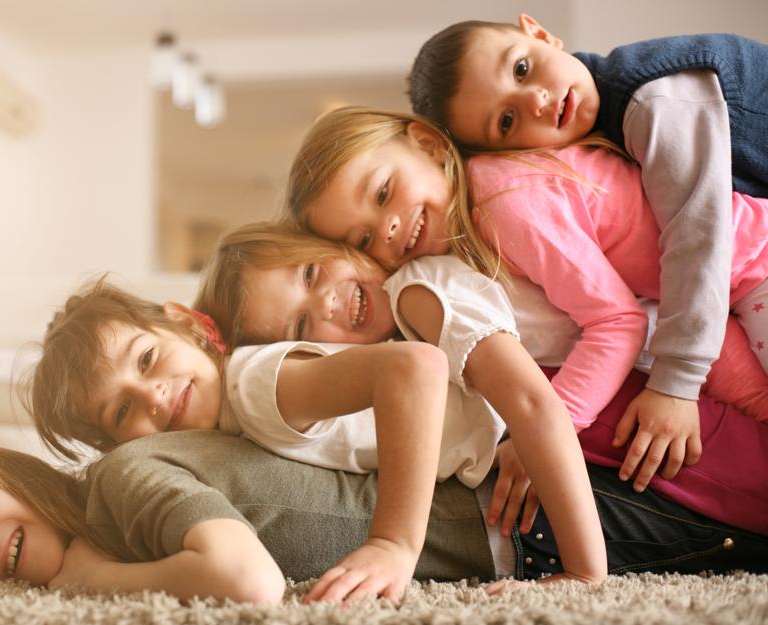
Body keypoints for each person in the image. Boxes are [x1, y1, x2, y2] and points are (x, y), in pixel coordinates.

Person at [18, 276, 607, 600]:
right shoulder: (232, 421)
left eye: (147, 359)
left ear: (194, 326)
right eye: (124, 411)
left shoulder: (252, 384)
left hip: (532, 473)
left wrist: (394, 543)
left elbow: (414, 368)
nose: (153, 395)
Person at [282, 106, 768, 490]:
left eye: (384, 192)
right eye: (364, 239)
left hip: (748, 260)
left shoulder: (504, 203)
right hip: (696, 298)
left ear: (428, 145)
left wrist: (543, 439)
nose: (385, 227)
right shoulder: (474, 224)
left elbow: (618, 323)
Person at [194, 219, 768, 536]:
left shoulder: (424, 287)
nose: (327, 304)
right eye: (301, 323)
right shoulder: (388, 343)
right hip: (564, 430)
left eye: (313, 272)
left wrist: (583, 570)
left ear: (333, 242)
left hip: (590, 405)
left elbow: (533, 402)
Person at [407, 17, 768, 484]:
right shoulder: (578, 143)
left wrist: (675, 385)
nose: (535, 100)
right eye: (507, 121)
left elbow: (698, 234)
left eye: (520, 68)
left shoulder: (657, 102)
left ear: (538, 33)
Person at [0, 434, 768, 603]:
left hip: (511, 522)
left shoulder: (120, 483)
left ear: (7, 472)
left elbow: (247, 581)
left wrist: (100, 581)